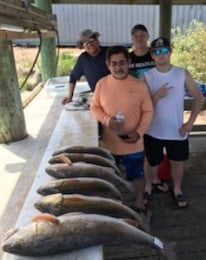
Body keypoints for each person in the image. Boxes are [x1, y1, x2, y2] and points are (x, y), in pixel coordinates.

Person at [90, 45, 153, 215]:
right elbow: (94, 107)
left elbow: (148, 111)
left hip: (134, 143)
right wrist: (107, 120)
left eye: (122, 63)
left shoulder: (139, 86)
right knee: (108, 177)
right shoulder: (101, 84)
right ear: (108, 65)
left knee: (138, 175)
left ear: (129, 63)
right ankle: (111, 204)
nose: (118, 67)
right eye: (114, 64)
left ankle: (140, 202)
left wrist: (139, 133)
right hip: (108, 145)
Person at [143, 37, 204, 208]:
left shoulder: (182, 73)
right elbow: (143, 106)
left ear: (170, 52)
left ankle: (177, 189)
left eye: (164, 51)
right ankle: (148, 186)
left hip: (177, 130)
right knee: (151, 161)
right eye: (156, 52)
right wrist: (156, 96)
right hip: (152, 130)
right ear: (152, 55)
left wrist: (190, 122)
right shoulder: (147, 77)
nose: (160, 54)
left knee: (177, 162)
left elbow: (198, 98)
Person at [129, 24, 169, 194]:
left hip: (158, 104)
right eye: (136, 35)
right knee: (142, 144)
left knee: (157, 144)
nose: (139, 38)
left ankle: (155, 177)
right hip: (137, 106)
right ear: (132, 38)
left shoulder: (155, 54)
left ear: (147, 36)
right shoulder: (128, 58)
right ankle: (146, 180)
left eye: (142, 34)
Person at [61, 29, 110, 105]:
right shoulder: (83, 59)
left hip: (116, 94)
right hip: (98, 98)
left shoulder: (110, 52)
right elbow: (73, 77)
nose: (89, 44)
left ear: (97, 41)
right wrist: (70, 96)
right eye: (86, 43)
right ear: (83, 46)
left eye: (91, 41)